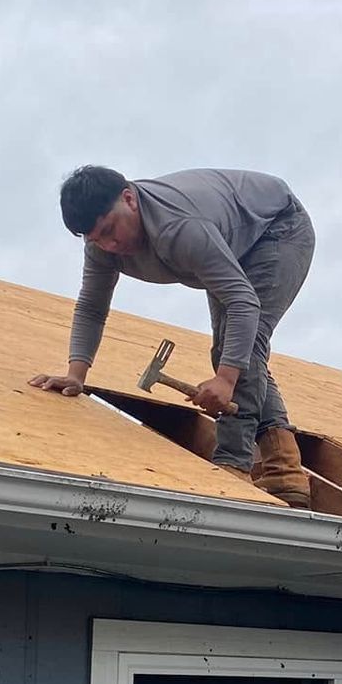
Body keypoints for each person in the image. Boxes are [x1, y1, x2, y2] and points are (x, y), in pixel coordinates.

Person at [30, 165, 314, 508]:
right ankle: (285, 471)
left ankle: (234, 465)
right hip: (228, 241)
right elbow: (92, 307)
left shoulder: (179, 228)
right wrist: (76, 374)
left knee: (240, 348)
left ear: (129, 199)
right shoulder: (102, 249)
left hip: (278, 227)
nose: (109, 245)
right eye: (95, 239)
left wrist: (226, 380)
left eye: (109, 230)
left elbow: (243, 303)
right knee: (231, 350)